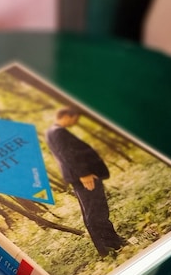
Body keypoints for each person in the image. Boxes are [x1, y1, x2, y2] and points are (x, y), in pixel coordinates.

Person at [45, 107, 128, 257]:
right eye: (75, 118)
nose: (75, 121)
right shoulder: (58, 132)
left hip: (80, 177)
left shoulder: (52, 132)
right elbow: (67, 154)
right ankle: (112, 245)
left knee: (93, 211)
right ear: (67, 115)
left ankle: (108, 245)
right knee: (97, 211)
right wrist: (84, 174)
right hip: (84, 178)